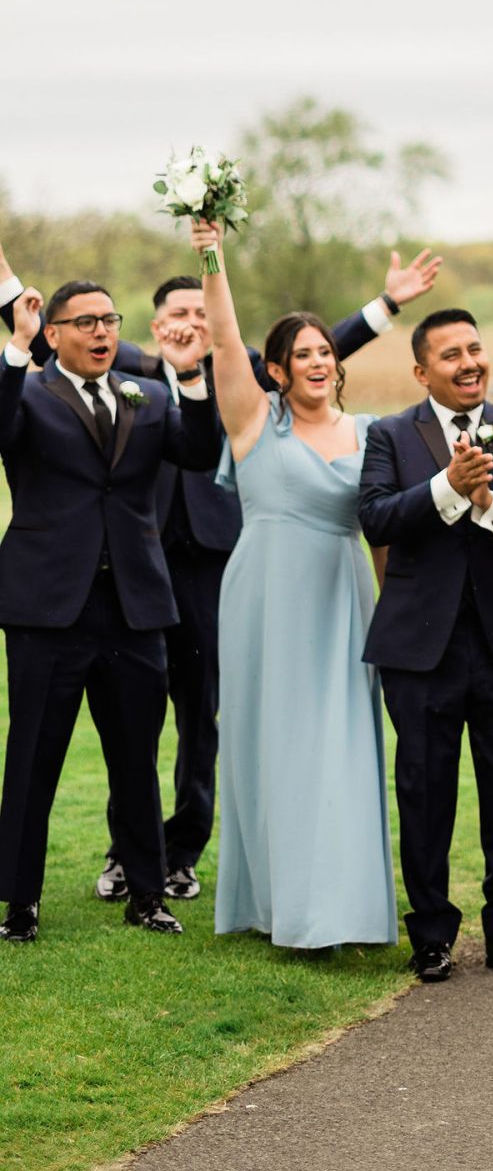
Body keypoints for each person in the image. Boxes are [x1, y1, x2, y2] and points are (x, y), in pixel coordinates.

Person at [80, 248, 441, 908]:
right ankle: (129, 855)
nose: (189, 322)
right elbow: (68, 347)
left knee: (205, 717)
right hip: (147, 567)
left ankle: (185, 855)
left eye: (200, 311)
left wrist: (385, 306)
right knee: (135, 719)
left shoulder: (276, 391)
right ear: (153, 326)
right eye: (176, 314)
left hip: (230, 562)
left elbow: (311, 348)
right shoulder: (127, 370)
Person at [0, 258, 221, 943]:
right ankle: (19, 904)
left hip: (136, 608)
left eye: (109, 321)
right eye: (85, 322)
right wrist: (14, 346)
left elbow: (201, 448)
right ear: (55, 332)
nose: (101, 332)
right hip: (47, 607)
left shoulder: (145, 396)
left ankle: (147, 895)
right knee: (34, 757)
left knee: (136, 758)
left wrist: (188, 374)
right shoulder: (28, 393)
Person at [197, 218, 397, 950]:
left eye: (324, 352)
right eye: (301, 355)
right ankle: (277, 904)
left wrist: (391, 613)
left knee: (339, 745)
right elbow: (223, 340)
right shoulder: (255, 420)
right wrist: (210, 254)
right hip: (265, 597)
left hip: (343, 597)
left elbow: (381, 532)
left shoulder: (372, 434)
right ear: (275, 370)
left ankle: (340, 910)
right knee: (272, 742)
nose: (316, 362)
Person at [359, 307, 493, 982]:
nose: (468, 362)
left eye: (474, 349)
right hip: (418, 647)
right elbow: (377, 515)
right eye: (450, 355)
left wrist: (488, 504)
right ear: (422, 372)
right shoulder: (390, 434)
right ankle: (432, 935)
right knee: (423, 789)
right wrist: (447, 488)